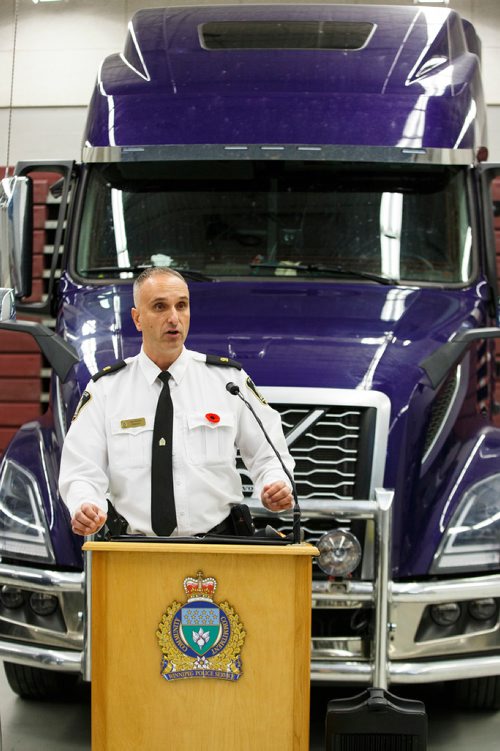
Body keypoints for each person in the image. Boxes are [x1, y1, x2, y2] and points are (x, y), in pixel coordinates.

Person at [59, 266, 294, 537]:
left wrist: (275, 483)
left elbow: (270, 455)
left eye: (181, 306)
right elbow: (81, 471)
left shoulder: (229, 382)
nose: (174, 318)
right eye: (160, 307)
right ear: (137, 318)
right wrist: (86, 505)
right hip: (134, 554)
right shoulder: (106, 390)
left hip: (220, 549)